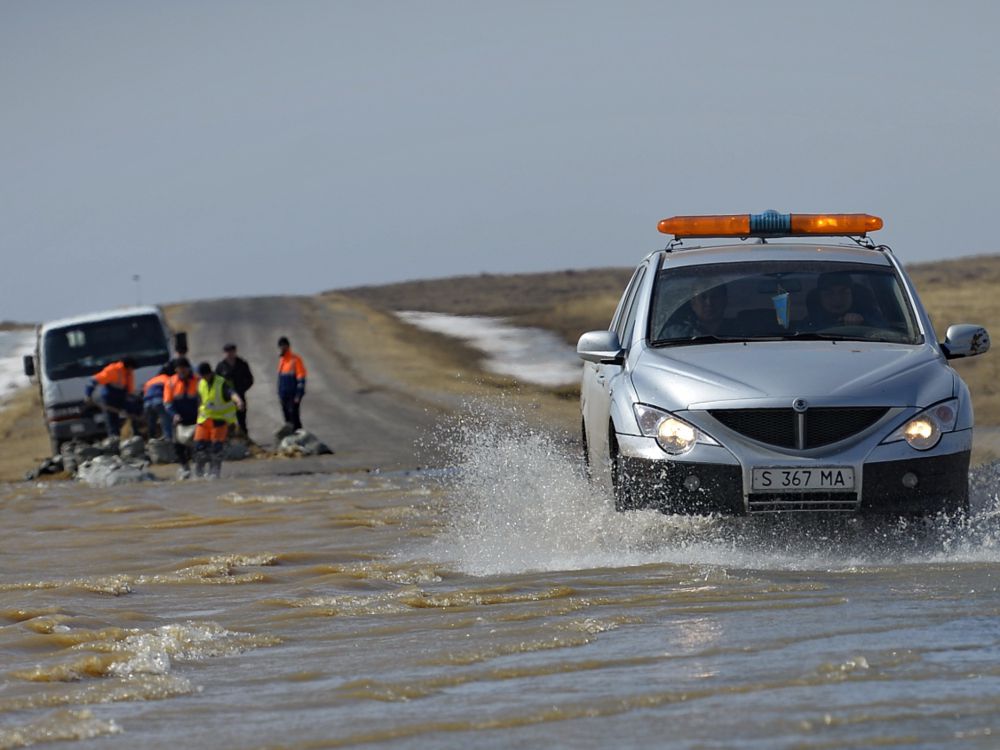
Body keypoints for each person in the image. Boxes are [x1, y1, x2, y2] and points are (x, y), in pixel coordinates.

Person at [195, 361, 243, 479]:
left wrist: (238, 401)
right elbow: (200, 400)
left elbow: (231, 393)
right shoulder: (201, 383)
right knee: (199, 449)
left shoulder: (220, 383)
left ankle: (214, 474)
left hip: (219, 421)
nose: (203, 378)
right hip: (204, 420)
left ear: (210, 373)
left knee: (216, 450)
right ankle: (198, 475)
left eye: (205, 375)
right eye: (201, 376)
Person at [84, 357, 141, 437]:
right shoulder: (112, 371)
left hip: (122, 397)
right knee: (112, 420)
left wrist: (131, 398)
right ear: (128, 367)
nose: (132, 371)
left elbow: (129, 389)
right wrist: (88, 395)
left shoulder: (128, 372)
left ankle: (136, 434)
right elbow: (92, 381)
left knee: (133, 411)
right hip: (109, 399)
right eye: (131, 369)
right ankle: (114, 439)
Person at [164, 357, 199, 479]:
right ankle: (185, 467)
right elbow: (167, 403)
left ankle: (198, 468)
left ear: (189, 369)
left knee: (197, 445)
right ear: (176, 370)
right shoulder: (171, 382)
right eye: (180, 369)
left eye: (185, 368)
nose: (183, 371)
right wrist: (174, 414)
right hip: (178, 419)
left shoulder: (198, 381)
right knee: (177, 445)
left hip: (196, 418)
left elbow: (203, 399)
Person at [809, 272, 882, 328]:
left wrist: (864, 323)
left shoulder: (871, 317)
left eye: (844, 292)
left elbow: (887, 332)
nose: (837, 299)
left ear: (853, 295)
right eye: (829, 294)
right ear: (819, 298)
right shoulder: (808, 325)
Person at [659, 285, 730, 339]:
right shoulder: (673, 335)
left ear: (724, 301)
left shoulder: (739, 331)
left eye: (715, 297)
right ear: (693, 303)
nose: (709, 303)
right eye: (703, 297)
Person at [215, 343, 254, 439]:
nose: (230, 354)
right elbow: (216, 382)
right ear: (224, 353)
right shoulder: (221, 366)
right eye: (227, 352)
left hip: (240, 396)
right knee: (228, 424)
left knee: (242, 422)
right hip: (226, 400)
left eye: (232, 351)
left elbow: (250, 379)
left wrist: (242, 389)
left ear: (235, 352)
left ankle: (246, 441)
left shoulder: (242, 364)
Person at [277, 336, 307, 431]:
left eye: (284, 346)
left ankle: (299, 438)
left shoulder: (295, 359)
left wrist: (299, 394)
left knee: (294, 418)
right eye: (280, 346)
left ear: (288, 346)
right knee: (287, 419)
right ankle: (291, 440)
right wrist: (280, 395)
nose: (282, 348)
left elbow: (301, 378)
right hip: (284, 395)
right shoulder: (282, 360)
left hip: (293, 395)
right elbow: (280, 379)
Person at [142, 365, 174, 440]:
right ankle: (168, 441)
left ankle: (151, 441)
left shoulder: (150, 380)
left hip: (147, 403)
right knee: (166, 422)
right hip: (159, 401)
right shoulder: (167, 378)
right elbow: (169, 393)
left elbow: (145, 392)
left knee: (151, 424)